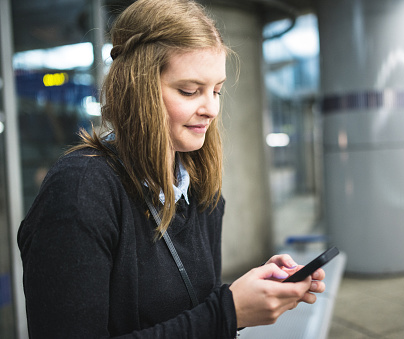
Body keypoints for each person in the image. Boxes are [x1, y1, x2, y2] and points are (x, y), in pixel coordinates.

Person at [17, 0, 325, 338]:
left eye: (217, 91)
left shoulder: (199, 188)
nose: (210, 109)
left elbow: (191, 308)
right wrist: (227, 312)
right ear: (138, 89)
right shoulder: (80, 191)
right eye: (190, 90)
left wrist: (245, 297)